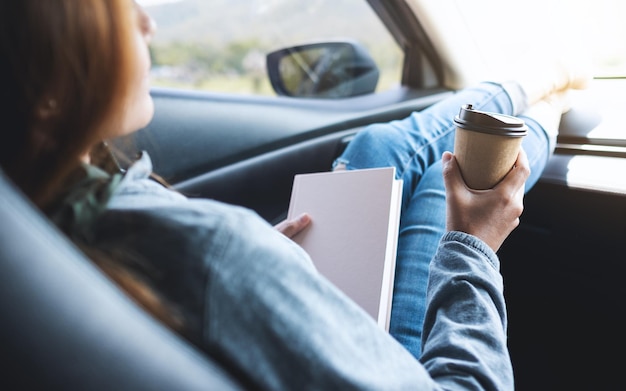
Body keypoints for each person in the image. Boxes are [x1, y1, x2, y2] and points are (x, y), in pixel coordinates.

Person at [0, 1, 588, 390]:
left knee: (377, 147)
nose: (147, 23)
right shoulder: (212, 254)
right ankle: (547, 103)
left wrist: (264, 261)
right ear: (43, 89)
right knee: (444, 181)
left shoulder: (38, 213)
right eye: (116, 13)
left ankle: (535, 88)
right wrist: (474, 246)